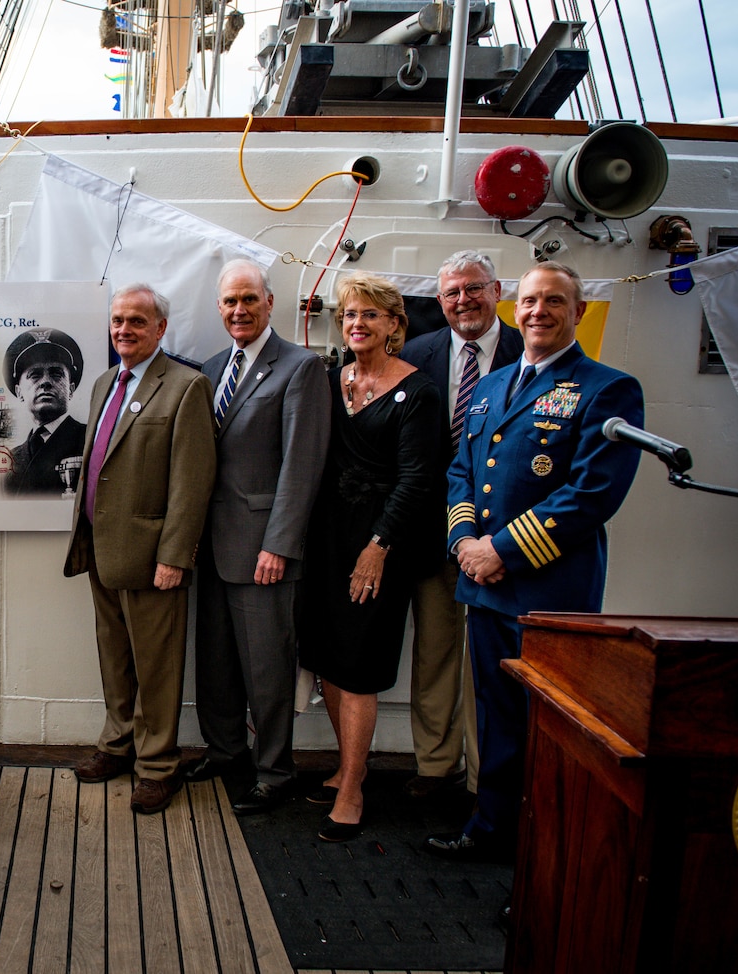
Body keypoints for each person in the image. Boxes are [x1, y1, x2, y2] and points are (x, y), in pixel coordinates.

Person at [427, 262, 643, 860]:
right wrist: (466, 544)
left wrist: (502, 551)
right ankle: (492, 831)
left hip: (551, 591)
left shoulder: (607, 389)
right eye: (529, 301)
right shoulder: (492, 386)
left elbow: (592, 493)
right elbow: (462, 471)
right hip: (485, 585)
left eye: (553, 301)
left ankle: (544, 853)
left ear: (577, 311)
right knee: (497, 718)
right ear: (512, 309)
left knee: (550, 732)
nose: (538, 312)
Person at [297, 272, 444, 842]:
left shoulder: (420, 392)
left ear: (395, 325)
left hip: (380, 544)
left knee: (359, 666)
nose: (356, 323)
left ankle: (355, 787)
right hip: (328, 539)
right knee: (329, 655)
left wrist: (378, 548)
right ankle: (342, 766)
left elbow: (416, 482)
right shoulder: (333, 380)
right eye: (348, 314)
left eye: (369, 315)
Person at [63, 284, 217, 815]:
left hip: (153, 559)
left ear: (159, 329)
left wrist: (175, 556)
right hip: (101, 551)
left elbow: (192, 483)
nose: (124, 329)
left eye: (136, 321)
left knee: (156, 666)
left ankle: (157, 766)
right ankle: (117, 744)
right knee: (115, 659)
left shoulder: (186, 387)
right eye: (117, 321)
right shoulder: (106, 381)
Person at [187, 260, 330, 814]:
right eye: (229, 302)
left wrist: (280, 544)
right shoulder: (212, 367)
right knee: (216, 663)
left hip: (265, 551)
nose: (239, 310)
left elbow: (302, 467)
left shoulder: (300, 368)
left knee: (268, 667)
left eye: (249, 299)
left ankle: (275, 770)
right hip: (212, 546)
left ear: (270, 302)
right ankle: (226, 753)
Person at [399, 251, 524, 801]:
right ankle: (435, 767)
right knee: (436, 654)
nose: (463, 301)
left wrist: (496, 543)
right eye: (451, 293)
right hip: (436, 535)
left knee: (496, 665)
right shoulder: (417, 353)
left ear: (497, 290)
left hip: (510, 545)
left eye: (474, 289)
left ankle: (488, 780)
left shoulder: (530, 350)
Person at [3, 327, 86, 494]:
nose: (45, 382)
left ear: (71, 389)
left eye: (56, 374)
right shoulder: (11, 459)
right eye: (35, 375)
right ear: (19, 393)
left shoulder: (92, 439)